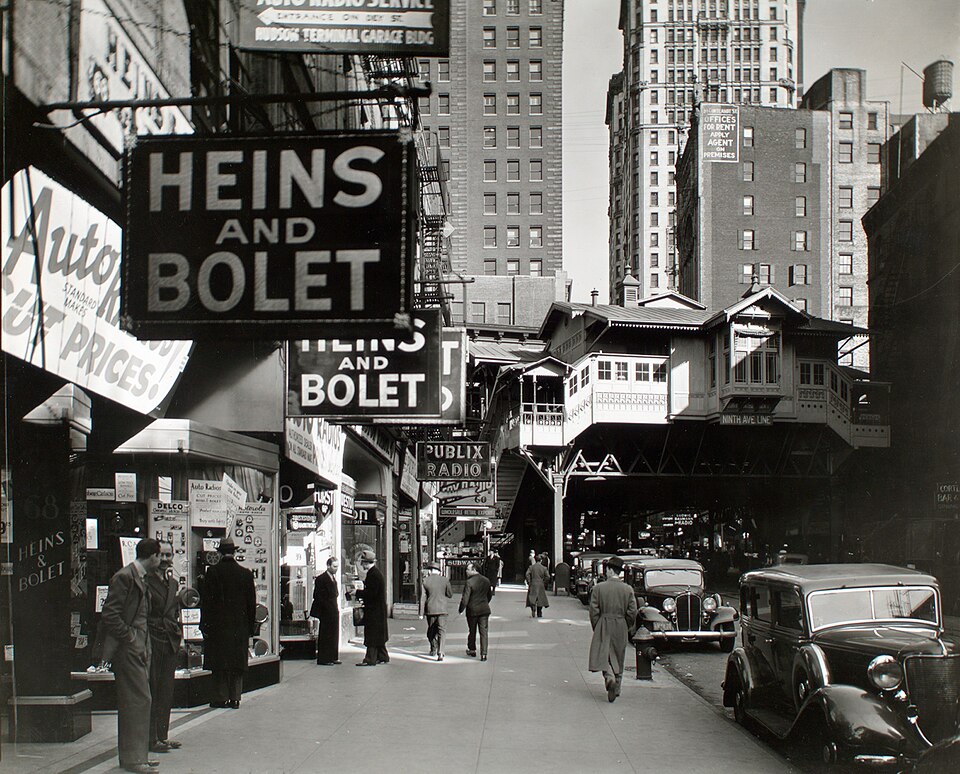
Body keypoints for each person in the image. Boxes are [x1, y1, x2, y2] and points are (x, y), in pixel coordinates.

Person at [100, 537, 162, 773]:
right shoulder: (125, 577)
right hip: (130, 649)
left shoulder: (138, 577)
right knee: (138, 700)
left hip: (139, 647)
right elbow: (111, 615)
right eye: (160, 555)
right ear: (153, 556)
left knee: (139, 700)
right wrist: (130, 637)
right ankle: (134, 760)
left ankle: (137, 756)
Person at [200, 536, 256, 709]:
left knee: (220, 663)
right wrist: (250, 628)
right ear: (234, 551)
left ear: (219, 552)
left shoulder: (213, 573)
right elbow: (251, 604)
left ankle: (221, 697)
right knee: (237, 663)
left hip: (219, 627)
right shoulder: (245, 573)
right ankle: (235, 698)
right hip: (239, 627)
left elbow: (207, 602)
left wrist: (204, 625)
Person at [146, 541, 183, 754]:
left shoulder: (173, 583)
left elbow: (174, 613)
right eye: (162, 555)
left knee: (166, 691)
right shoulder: (146, 582)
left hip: (170, 641)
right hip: (153, 638)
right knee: (153, 690)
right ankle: (151, 738)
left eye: (170, 555)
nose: (166, 559)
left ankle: (162, 735)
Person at [588, 556, 638, 703]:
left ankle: (609, 677)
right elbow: (632, 611)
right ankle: (617, 686)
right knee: (619, 655)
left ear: (610, 570)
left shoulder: (598, 588)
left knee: (603, 654)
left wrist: (597, 626)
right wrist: (626, 625)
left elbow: (594, 611)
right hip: (621, 624)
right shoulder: (628, 589)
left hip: (604, 622)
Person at [354, 550, 389, 666]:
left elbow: (371, 593)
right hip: (378, 610)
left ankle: (370, 659)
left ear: (366, 563)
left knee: (372, 635)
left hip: (374, 611)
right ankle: (383, 656)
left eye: (363, 563)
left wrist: (357, 592)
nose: (362, 565)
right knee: (378, 634)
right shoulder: (376, 573)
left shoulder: (372, 575)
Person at [310, 557, 341, 665]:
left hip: (333, 609)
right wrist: (327, 607)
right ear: (328, 566)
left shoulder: (333, 578)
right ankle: (324, 658)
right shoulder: (321, 579)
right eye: (334, 566)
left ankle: (333, 656)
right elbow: (318, 596)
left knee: (333, 634)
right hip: (326, 611)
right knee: (326, 634)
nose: (336, 569)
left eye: (337, 566)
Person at [419, 562, 452, 661]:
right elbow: (450, 594)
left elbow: (422, 598)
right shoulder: (445, 580)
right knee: (442, 631)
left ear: (430, 571)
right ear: (439, 571)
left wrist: (421, 613)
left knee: (431, 630)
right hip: (443, 609)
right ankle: (441, 652)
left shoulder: (425, 581)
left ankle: (433, 647)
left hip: (431, 609)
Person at [459, 562, 492, 661]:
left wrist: (461, 609)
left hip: (472, 610)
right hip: (484, 609)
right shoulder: (486, 580)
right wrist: (485, 602)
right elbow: (489, 595)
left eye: (468, 569)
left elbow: (465, 598)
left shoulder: (469, 582)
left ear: (474, 570)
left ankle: (472, 649)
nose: (466, 571)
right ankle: (484, 653)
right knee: (484, 632)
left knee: (472, 630)